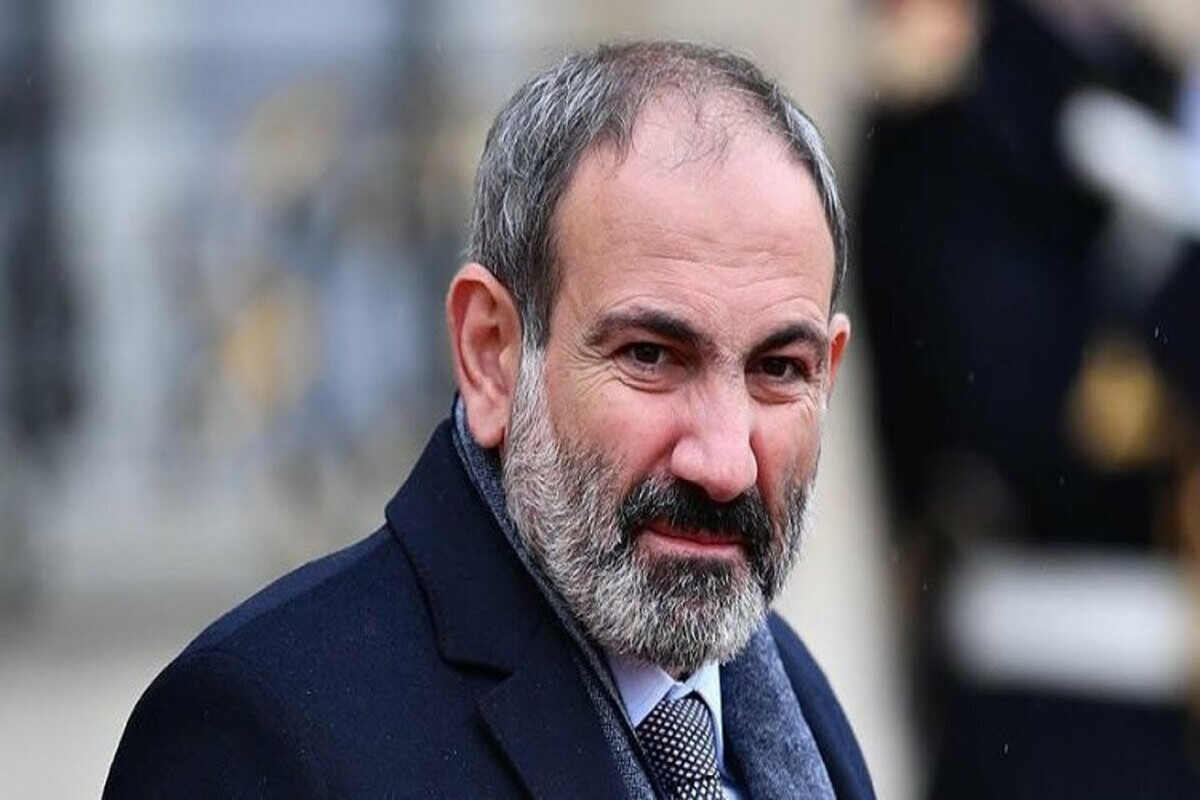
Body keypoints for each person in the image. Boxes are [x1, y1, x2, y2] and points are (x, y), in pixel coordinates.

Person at [104, 41, 874, 799]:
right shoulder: (261, 733)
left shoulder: (789, 698)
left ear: (830, 374)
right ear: (490, 354)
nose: (724, 463)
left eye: (779, 369)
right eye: (650, 356)